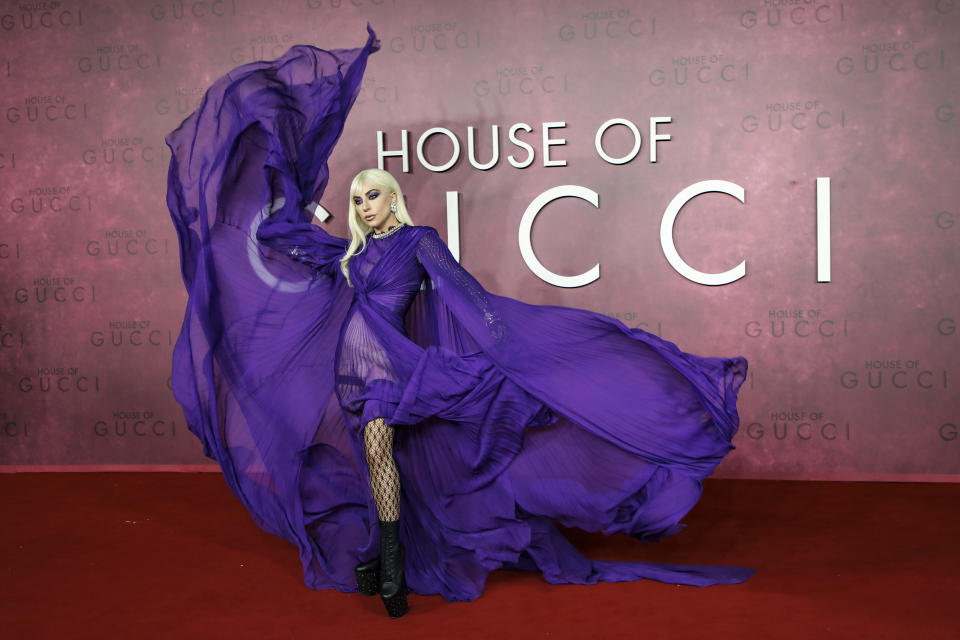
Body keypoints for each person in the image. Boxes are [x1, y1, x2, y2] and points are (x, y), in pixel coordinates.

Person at [165, 27, 753, 619]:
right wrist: (274, 167)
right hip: (352, 364)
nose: (365, 205)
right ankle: (382, 550)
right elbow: (289, 231)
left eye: (374, 196)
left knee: (377, 450)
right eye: (359, 199)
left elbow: (466, 296)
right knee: (375, 459)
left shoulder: (419, 241)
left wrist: (510, 347)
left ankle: (392, 565)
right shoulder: (350, 254)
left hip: (395, 364)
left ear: (392, 200)